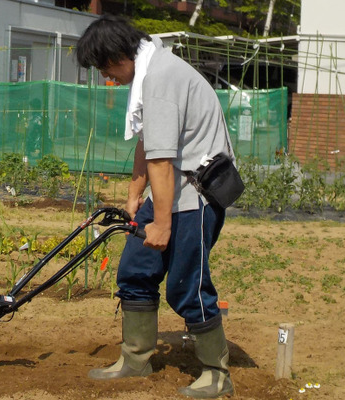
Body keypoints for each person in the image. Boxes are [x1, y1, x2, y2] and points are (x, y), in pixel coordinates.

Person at [76, 15, 235, 399]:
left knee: (186, 286)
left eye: (104, 67)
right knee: (135, 270)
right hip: (168, 194)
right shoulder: (151, 69)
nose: (105, 77)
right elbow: (148, 144)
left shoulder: (161, 78)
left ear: (119, 54)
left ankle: (217, 374)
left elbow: (163, 161)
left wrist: (161, 224)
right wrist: (134, 196)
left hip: (194, 197)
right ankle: (136, 359)